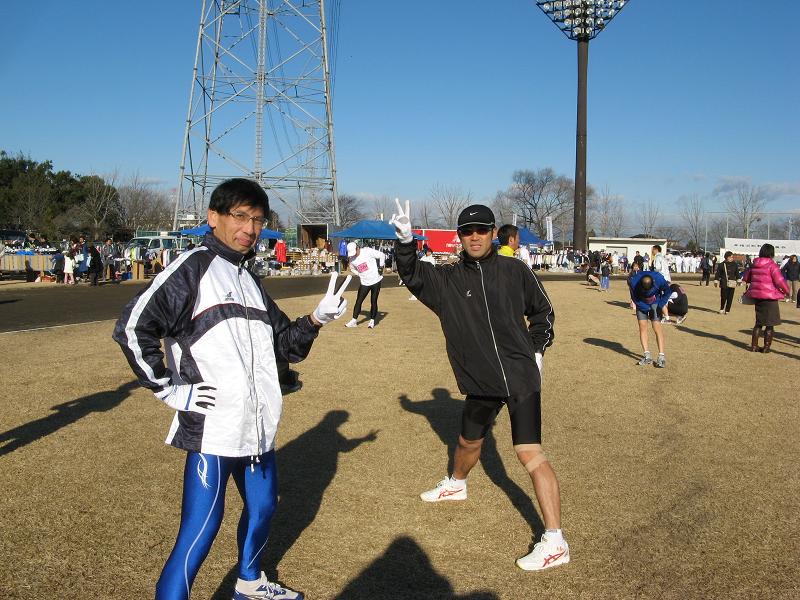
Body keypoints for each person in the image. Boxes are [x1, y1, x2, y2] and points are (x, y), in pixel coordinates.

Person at [113, 178, 352, 600]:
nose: (250, 228)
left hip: (257, 426)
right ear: (214, 217)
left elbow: (285, 347)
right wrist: (168, 389)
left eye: (258, 220)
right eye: (240, 216)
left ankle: (250, 582)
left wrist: (316, 319)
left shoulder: (249, 279)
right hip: (214, 426)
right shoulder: (192, 267)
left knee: (263, 508)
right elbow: (133, 328)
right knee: (202, 526)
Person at [390, 200, 568, 572]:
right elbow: (411, 272)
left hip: (519, 377)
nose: (474, 237)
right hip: (480, 380)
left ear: (493, 233)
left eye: (481, 230)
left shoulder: (515, 269)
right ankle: (457, 483)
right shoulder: (447, 280)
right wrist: (405, 241)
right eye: (467, 231)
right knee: (468, 442)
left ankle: (555, 541)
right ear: (459, 236)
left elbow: (543, 311)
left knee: (529, 453)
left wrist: (538, 348)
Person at [742, 243, 790, 353]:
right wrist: (787, 291)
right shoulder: (772, 265)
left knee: (758, 322)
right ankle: (766, 347)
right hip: (770, 297)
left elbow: (746, 277)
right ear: (771, 253)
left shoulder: (754, 264)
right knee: (770, 324)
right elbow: (779, 281)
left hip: (757, 297)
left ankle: (754, 346)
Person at [628, 270, 671, 368]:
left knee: (657, 328)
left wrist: (660, 305)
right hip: (641, 303)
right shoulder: (634, 282)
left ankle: (661, 356)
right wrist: (645, 307)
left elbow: (668, 291)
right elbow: (634, 297)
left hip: (655, 303)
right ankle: (647, 356)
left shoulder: (659, 279)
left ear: (654, 284)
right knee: (642, 327)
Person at [344, 241, 385, 329]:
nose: (354, 255)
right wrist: (358, 274)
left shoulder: (367, 251)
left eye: (354, 252)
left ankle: (372, 321)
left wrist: (381, 267)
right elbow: (352, 268)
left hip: (376, 281)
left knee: (373, 301)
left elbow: (382, 255)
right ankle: (354, 321)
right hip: (364, 282)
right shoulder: (352, 259)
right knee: (358, 301)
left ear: (357, 248)